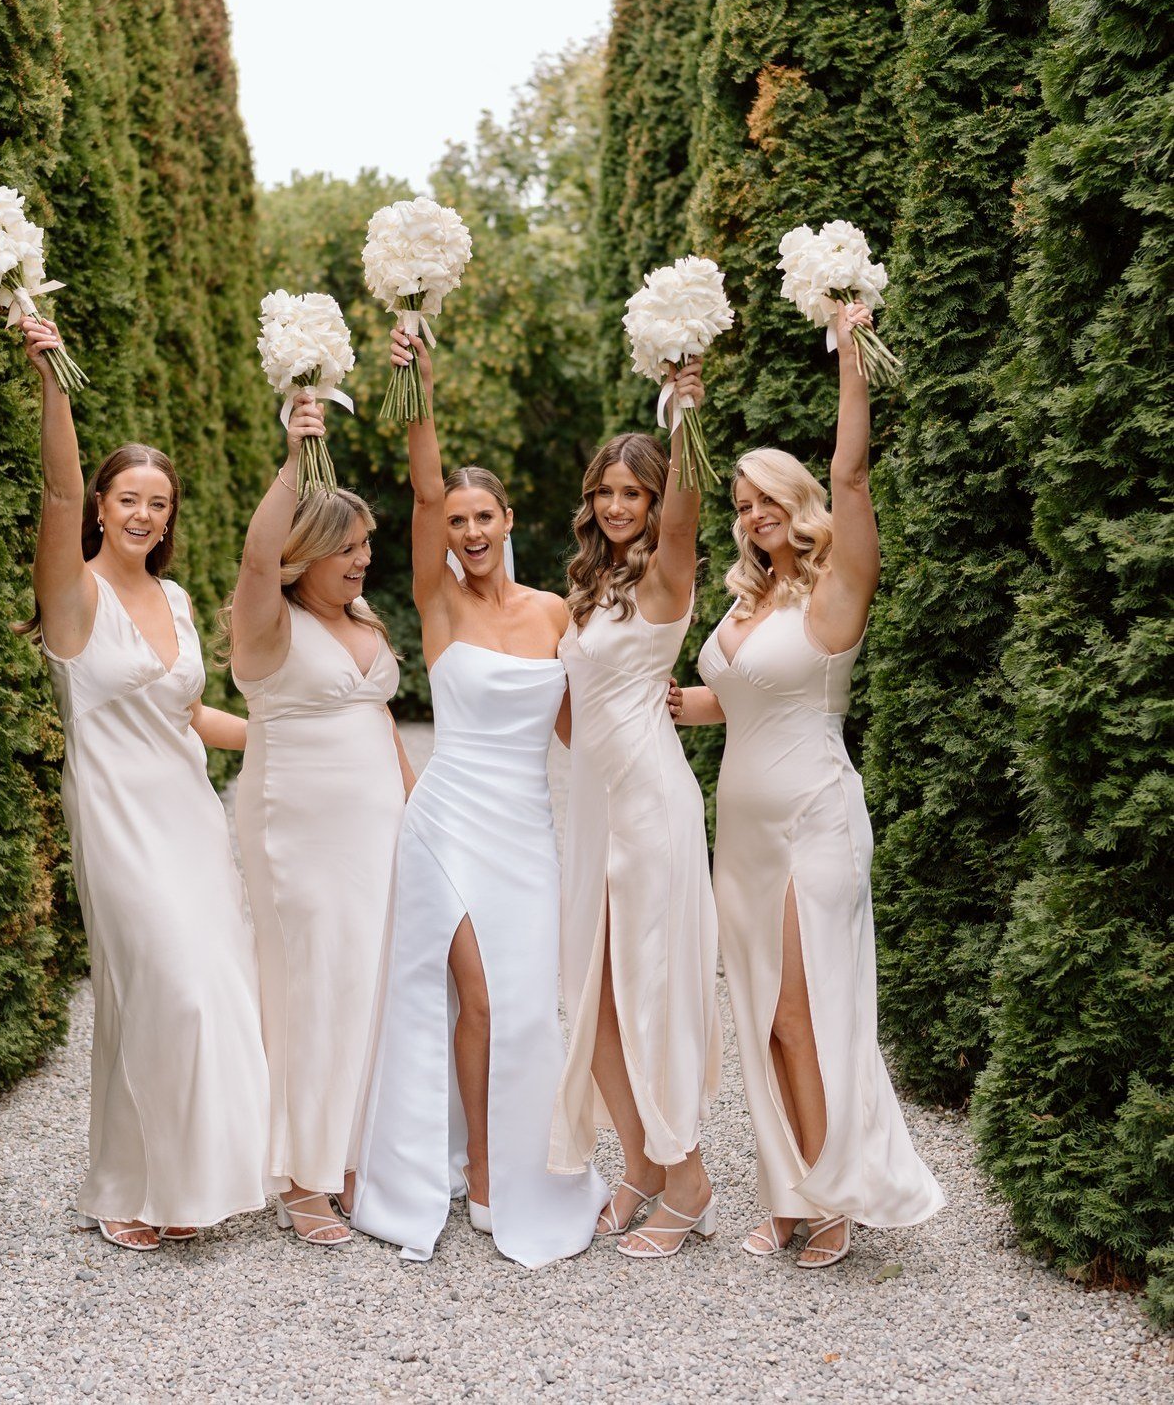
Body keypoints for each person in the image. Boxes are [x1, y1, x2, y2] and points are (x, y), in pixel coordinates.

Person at [670, 301, 945, 1267]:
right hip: (737, 834)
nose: (751, 517)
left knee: (803, 1010)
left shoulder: (838, 589)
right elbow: (729, 705)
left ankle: (833, 1195)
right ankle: (792, 1192)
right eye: (742, 505)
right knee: (764, 1019)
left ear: (800, 509)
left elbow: (853, 473)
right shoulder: (746, 609)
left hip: (812, 821)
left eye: (766, 502)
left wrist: (852, 360)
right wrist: (650, 700)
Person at [351, 327, 605, 1267]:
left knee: (529, 1009)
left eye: (481, 518)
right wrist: (420, 382)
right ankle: (484, 1175)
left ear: (508, 520)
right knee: (479, 1001)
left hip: (525, 831)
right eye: (456, 520)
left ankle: (520, 1159)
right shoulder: (438, 603)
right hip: (448, 820)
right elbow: (419, 488)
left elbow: (581, 728)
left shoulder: (553, 614)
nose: (467, 532)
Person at [18, 315, 272, 1252]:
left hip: (191, 821)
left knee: (215, 987)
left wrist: (295, 741)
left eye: (158, 504)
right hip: (119, 826)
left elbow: (187, 715)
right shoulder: (72, 594)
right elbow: (53, 490)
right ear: (99, 506)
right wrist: (53, 380)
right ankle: (135, 1177)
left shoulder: (171, 598)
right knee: (170, 991)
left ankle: (156, 1181)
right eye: (127, 498)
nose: (142, 515)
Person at [228, 392, 412, 1247]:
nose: (362, 559)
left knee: (366, 982)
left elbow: (379, 722)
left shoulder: (362, 619)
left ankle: (344, 1156)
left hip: (375, 833)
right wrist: (294, 459)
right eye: (344, 548)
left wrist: (417, 810)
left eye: (366, 544)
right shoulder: (268, 625)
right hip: (296, 829)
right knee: (309, 984)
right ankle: (302, 1179)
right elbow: (255, 559)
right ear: (302, 557)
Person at [549, 364, 724, 1259]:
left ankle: (687, 1173)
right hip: (590, 805)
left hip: (650, 803)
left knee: (646, 990)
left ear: (657, 502)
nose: (618, 505)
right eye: (607, 491)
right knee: (595, 1002)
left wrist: (684, 411)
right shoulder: (588, 585)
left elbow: (689, 515)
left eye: (635, 492)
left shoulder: (664, 577)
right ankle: (642, 1163)